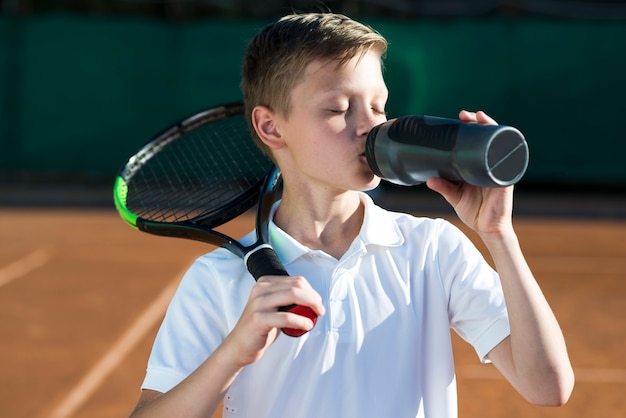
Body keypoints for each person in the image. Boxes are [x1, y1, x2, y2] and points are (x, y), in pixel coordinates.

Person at [129, 12, 574, 418]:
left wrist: (499, 235)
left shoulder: (432, 250)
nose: (370, 125)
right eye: (339, 109)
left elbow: (549, 387)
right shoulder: (219, 279)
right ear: (270, 127)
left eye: (378, 106)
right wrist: (233, 353)